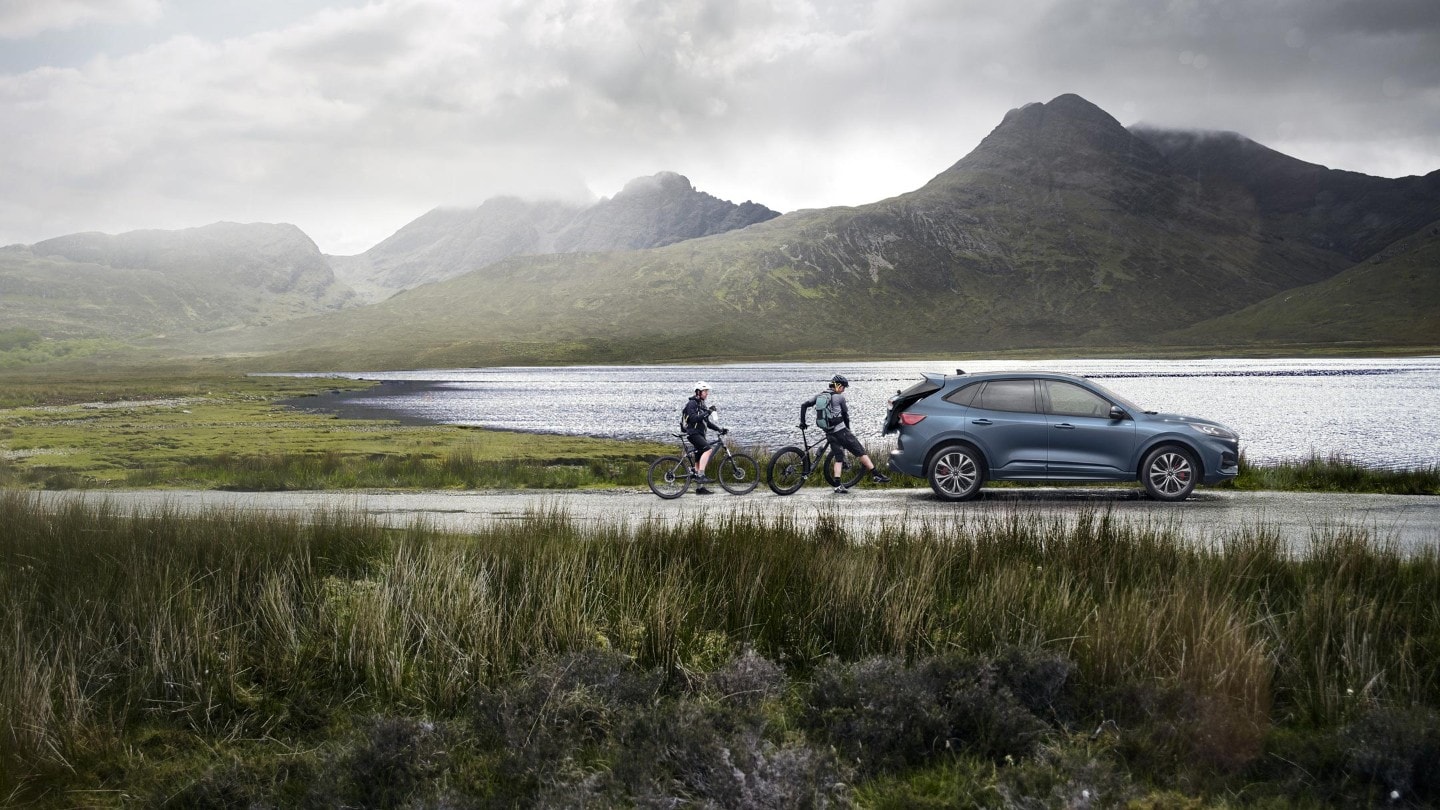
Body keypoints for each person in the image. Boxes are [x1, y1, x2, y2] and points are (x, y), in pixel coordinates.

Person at [800, 374, 889, 494]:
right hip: (841, 431)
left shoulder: (820, 395)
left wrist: (803, 422)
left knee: (838, 458)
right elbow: (845, 415)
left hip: (829, 431)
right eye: (844, 387)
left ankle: (837, 486)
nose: (844, 390)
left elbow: (804, 405)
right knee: (860, 451)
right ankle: (876, 475)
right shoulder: (839, 398)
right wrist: (848, 430)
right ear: (839, 386)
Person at [682, 381, 726, 494]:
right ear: (698, 392)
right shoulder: (692, 403)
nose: (707, 394)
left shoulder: (701, 404)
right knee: (708, 449)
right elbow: (693, 418)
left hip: (700, 434)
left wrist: (719, 429)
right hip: (693, 434)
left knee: (698, 461)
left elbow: (707, 422)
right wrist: (707, 412)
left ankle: (700, 488)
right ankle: (701, 475)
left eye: (707, 391)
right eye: (705, 391)